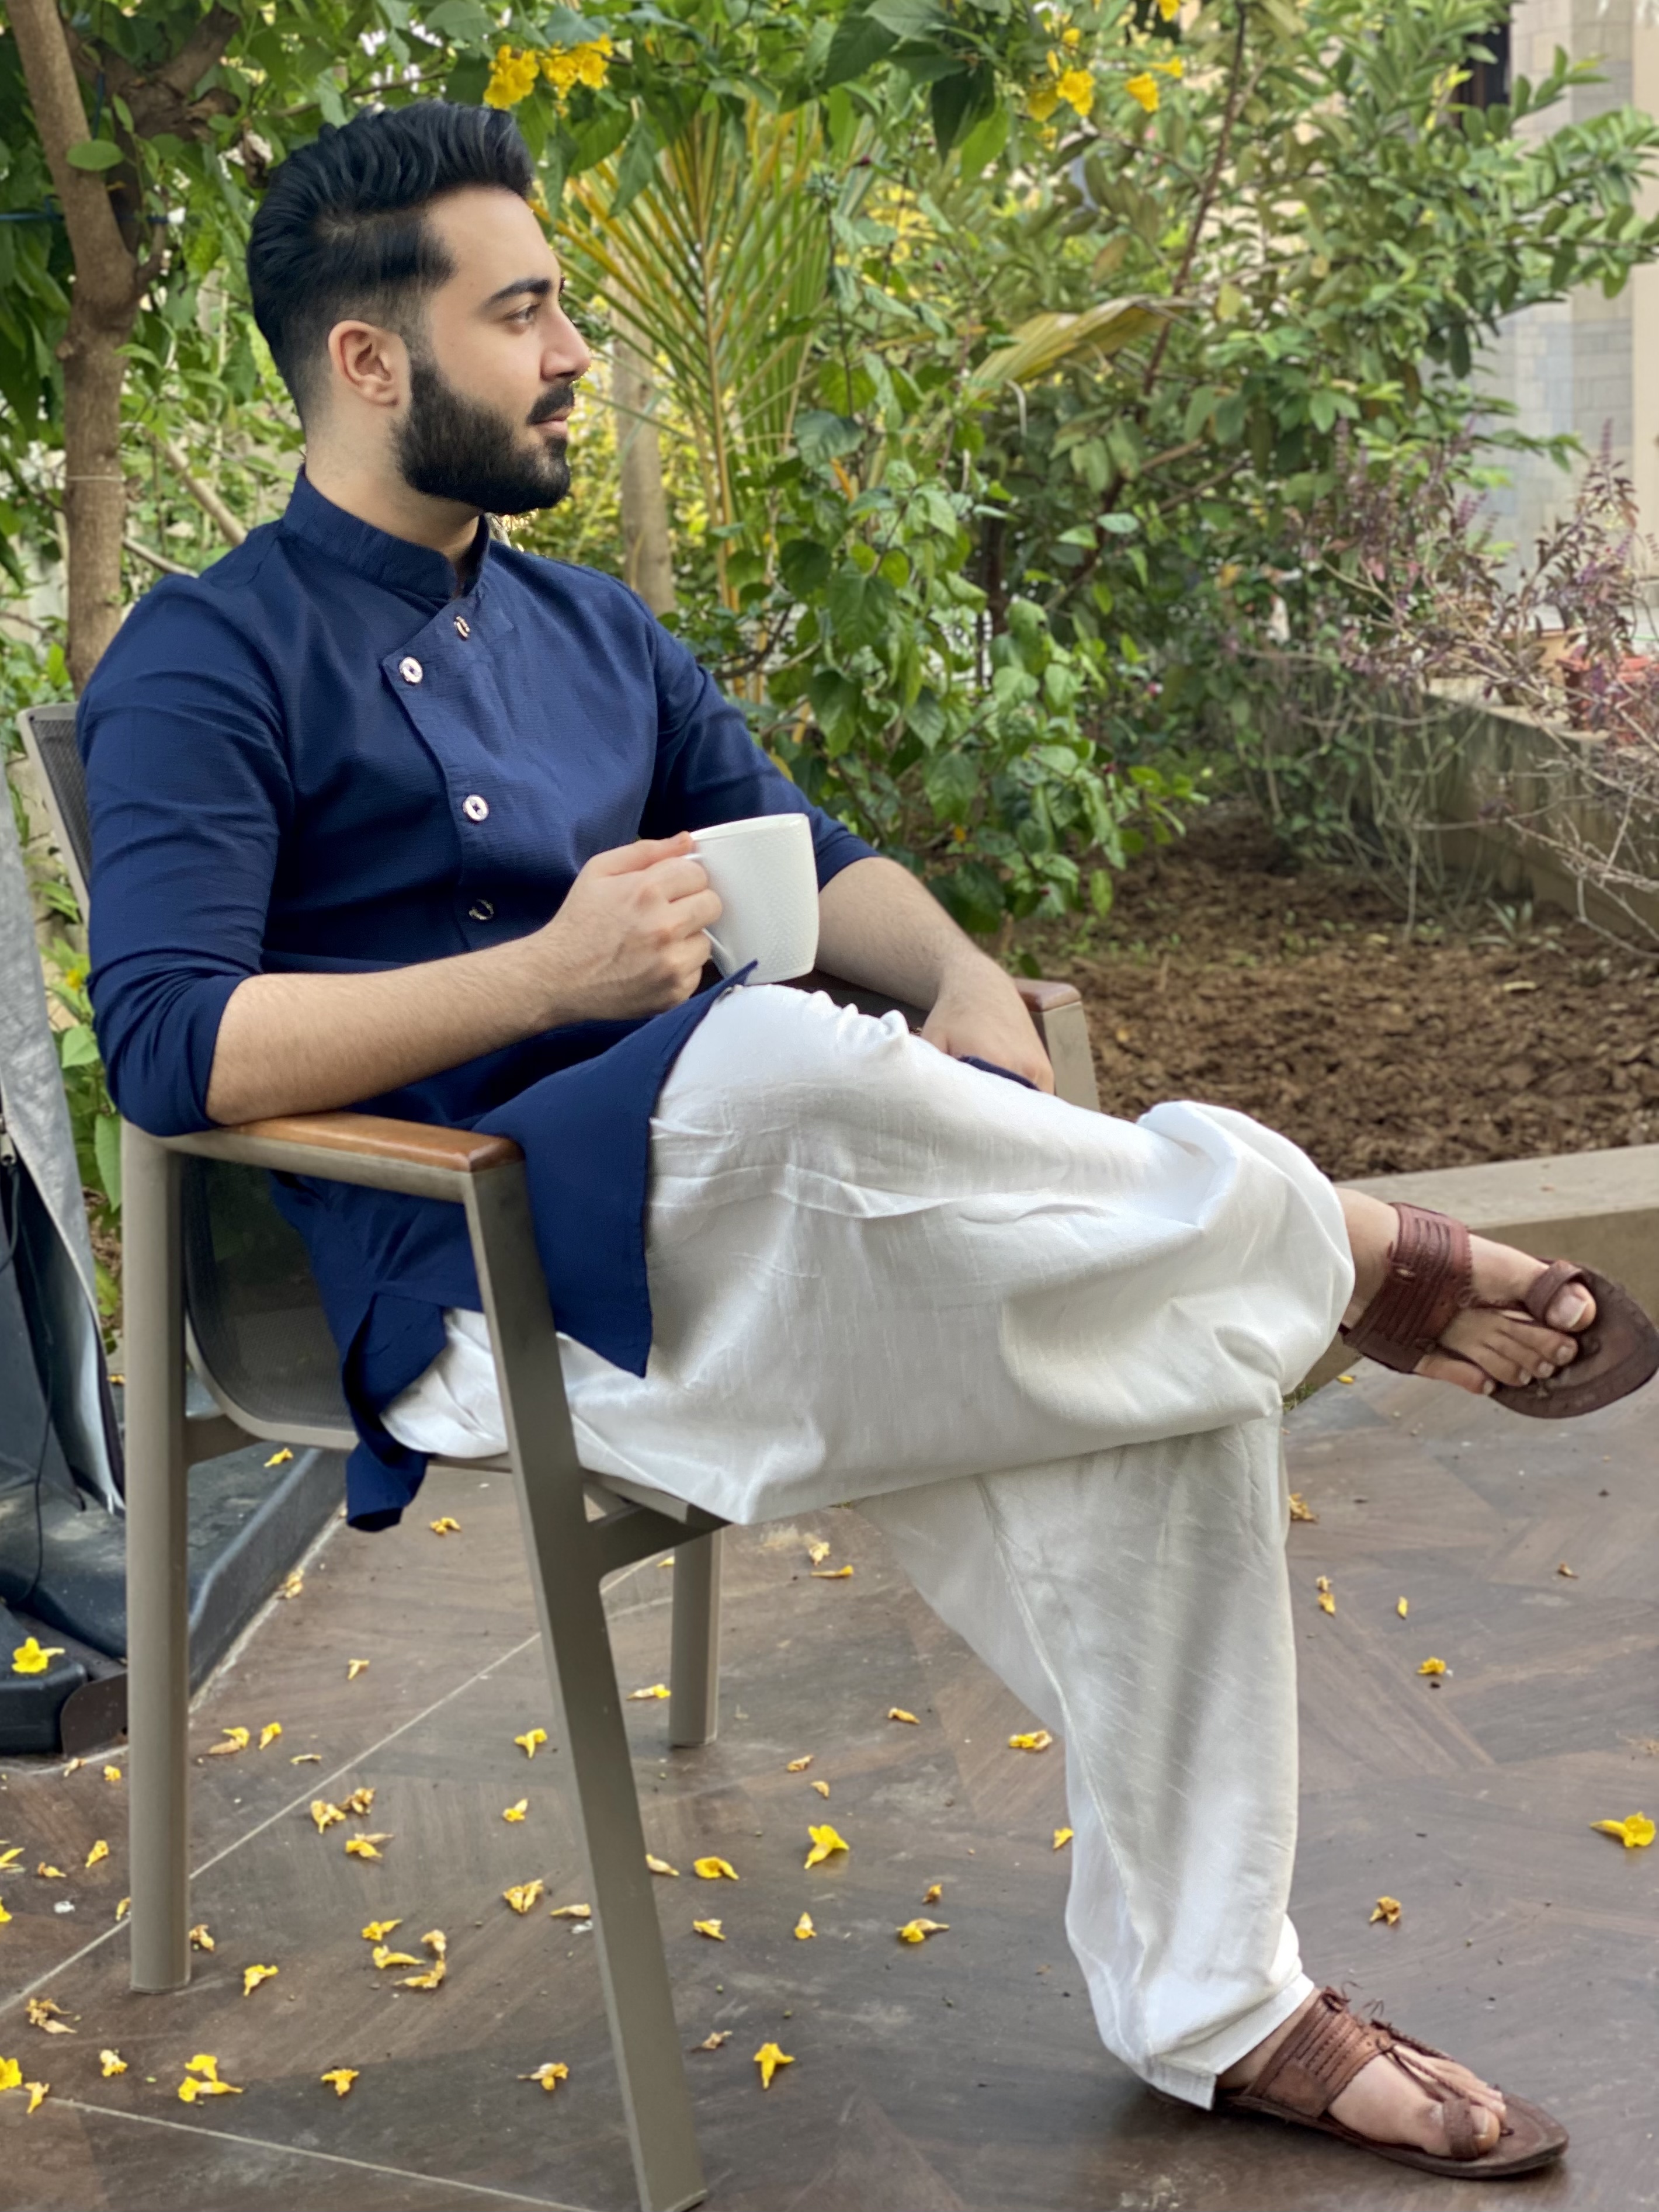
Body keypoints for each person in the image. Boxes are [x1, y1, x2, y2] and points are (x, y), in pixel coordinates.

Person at [86, 100, 1648, 2180]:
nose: (574, 353)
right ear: (371, 359)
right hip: (474, 1281)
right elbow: (169, 1045)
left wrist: (973, 995)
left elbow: (821, 866)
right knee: (784, 1069)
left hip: (759, 1234)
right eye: (524, 312)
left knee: (1155, 1357)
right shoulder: (206, 657)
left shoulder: (593, 634)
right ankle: (1333, 1247)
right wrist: (548, 976)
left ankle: (1226, 1998)